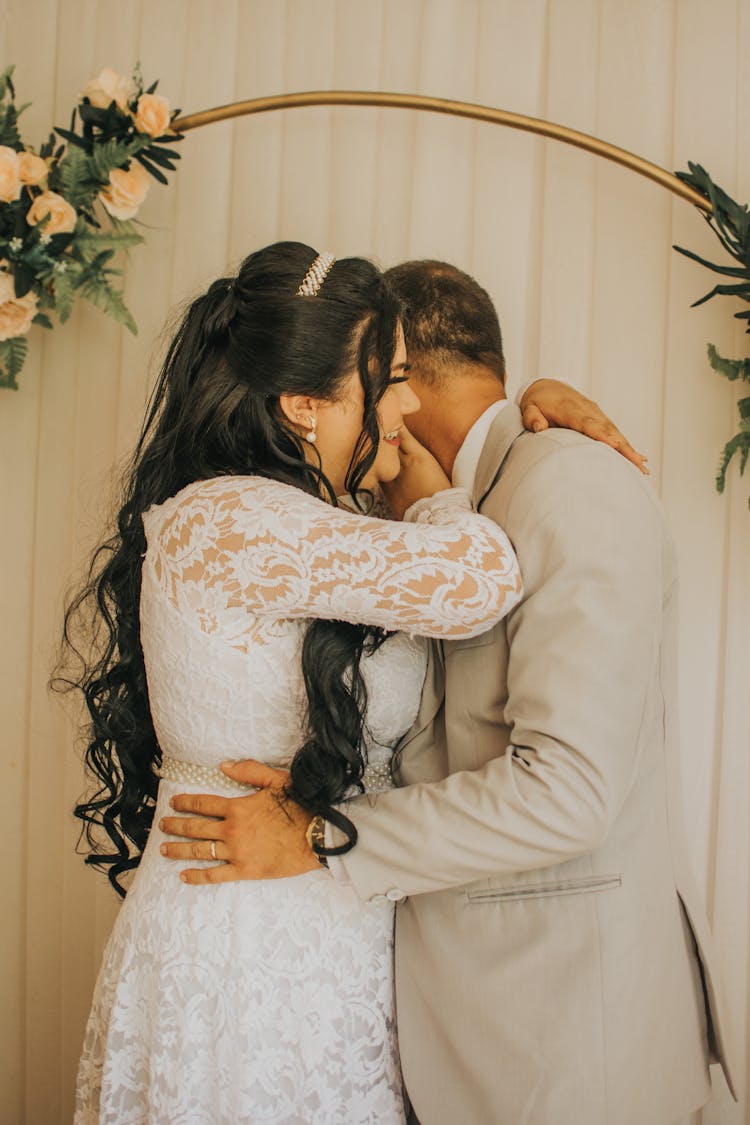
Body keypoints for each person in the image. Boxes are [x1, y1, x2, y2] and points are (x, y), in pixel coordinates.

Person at [62, 241, 627, 1124]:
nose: (406, 405)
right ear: (301, 404)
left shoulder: (319, 524)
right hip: (245, 941)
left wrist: (523, 417)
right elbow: (479, 576)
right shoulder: (235, 516)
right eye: (390, 378)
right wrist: (449, 476)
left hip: (332, 919)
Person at [164, 260, 737, 1125]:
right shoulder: (368, 514)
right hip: (415, 1017)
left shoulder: (573, 488)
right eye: (374, 383)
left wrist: (325, 833)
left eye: (391, 381)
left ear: (415, 378)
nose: (387, 408)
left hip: (566, 1040)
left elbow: (569, 793)